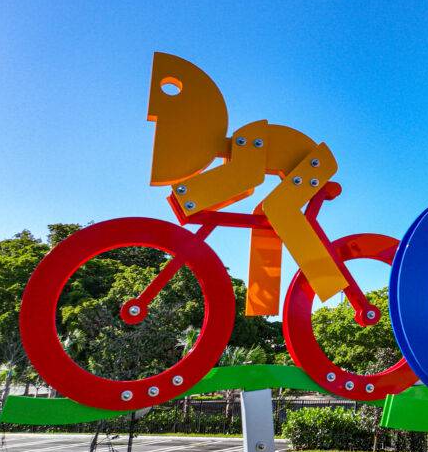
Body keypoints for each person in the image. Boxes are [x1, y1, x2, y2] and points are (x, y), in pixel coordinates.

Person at [146, 52, 345, 315]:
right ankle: (264, 302)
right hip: (302, 161)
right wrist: (190, 200)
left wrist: (188, 196)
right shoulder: (243, 143)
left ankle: (326, 281)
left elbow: (243, 179)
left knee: (277, 210)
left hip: (316, 162)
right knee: (265, 214)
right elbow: (237, 180)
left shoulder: (248, 139)